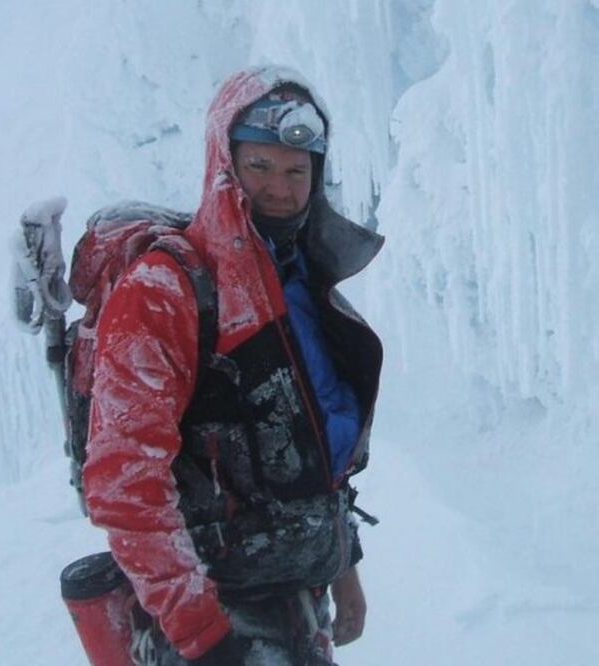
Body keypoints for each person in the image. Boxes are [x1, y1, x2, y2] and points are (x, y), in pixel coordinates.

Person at [82, 66, 384, 665]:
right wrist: (203, 637)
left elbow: (311, 443)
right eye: (260, 166)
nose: (280, 187)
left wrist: (342, 561)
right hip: (217, 617)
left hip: (298, 600)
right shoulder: (163, 291)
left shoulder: (299, 279)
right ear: (224, 163)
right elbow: (124, 482)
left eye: (297, 171)